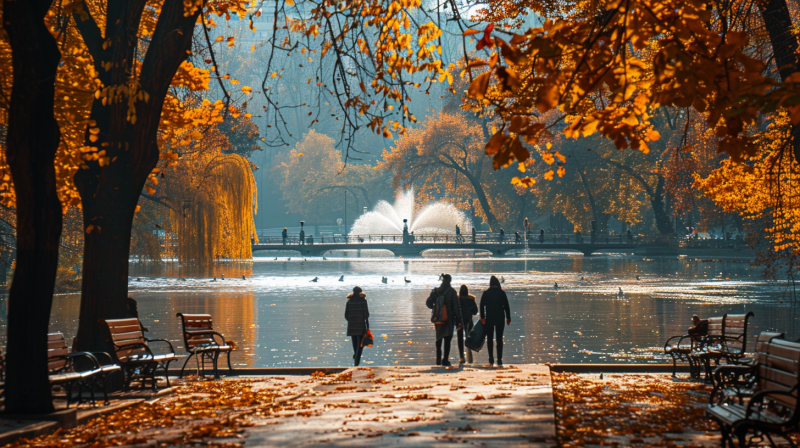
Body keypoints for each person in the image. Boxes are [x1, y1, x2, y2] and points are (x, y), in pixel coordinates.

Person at [426, 274, 462, 366]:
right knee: (447, 339)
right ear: (450, 281)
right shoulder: (452, 292)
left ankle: (438, 359)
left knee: (439, 338)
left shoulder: (436, 291)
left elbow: (429, 303)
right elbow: (456, 307)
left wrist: (436, 307)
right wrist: (458, 320)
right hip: (448, 318)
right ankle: (445, 359)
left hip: (438, 317)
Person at [480, 275, 511, 367]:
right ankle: (499, 359)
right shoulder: (501, 293)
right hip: (500, 317)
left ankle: (491, 359)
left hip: (489, 317)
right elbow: (506, 306)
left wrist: (483, 317)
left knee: (489, 339)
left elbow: (482, 305)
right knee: (499, 339)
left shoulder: (486, 293)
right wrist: (508, 317)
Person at [345, 286, 370, 366]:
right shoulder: (363, 301)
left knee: (355, 344)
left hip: (352, 326)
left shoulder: (349, 301)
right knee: (360, 345)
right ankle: (356, 362)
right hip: (361, 325)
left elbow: (346, 315)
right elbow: (366, 315)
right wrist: (366, 325)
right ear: (360, 292)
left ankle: (355, 357)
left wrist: (351, 321)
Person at [456, 285, 478, 364]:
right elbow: (475, 311)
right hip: (468, 321)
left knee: (460, 338)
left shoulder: (457, 300)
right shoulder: (471, 299)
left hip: (459, 321)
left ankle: (461, 356)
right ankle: (469, 354)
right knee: (468, 337)